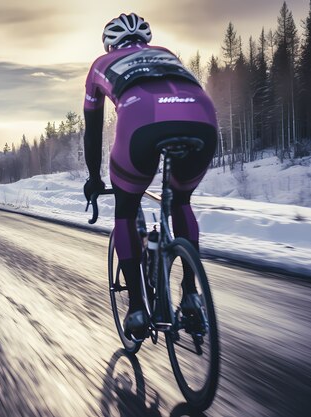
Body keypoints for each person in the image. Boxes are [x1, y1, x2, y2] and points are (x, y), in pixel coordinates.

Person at [83, 13, 218, 339]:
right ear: (145, 41)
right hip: (201, 116)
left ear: (109, 43)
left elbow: (93, 129)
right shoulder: (166, 54)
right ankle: (190, 295)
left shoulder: (101, 63)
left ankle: (138, 309)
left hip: (141, 120)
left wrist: (94, 178)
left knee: (126, 211)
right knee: (180, 200)